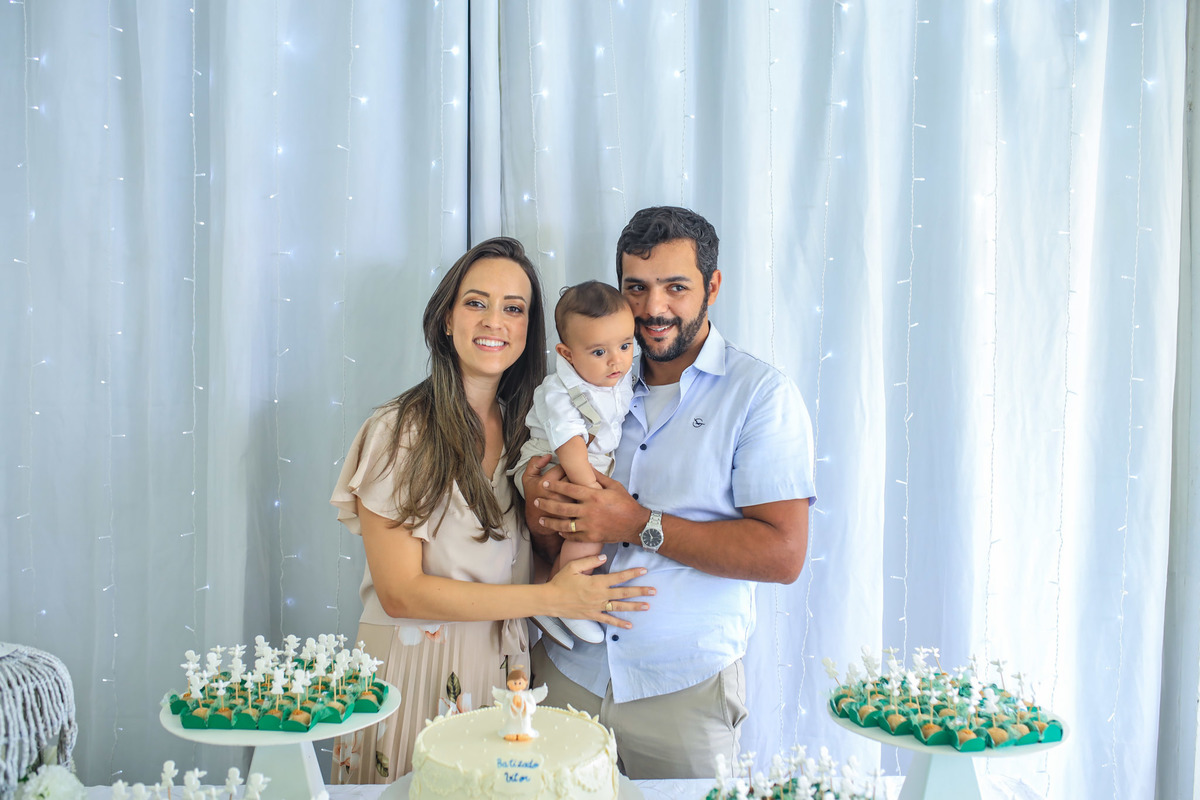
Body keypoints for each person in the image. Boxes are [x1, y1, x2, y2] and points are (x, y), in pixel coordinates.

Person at [329, 237, 654, 782]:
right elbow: (400, 592)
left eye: (514, 308)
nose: (494, 321)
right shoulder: (400, 430)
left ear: (530, 331)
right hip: (413, 674)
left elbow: (518, 563)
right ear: (446, 319)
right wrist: (552, 598)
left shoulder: (527, 435)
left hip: (504, 681)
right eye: (476, 302)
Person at [523, 207, 816, 779]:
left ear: (713, 286)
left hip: (683, 692)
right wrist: (544, 509)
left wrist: (637, 524)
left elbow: (783, 556)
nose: (654, 308)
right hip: (565, 671)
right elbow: (540, 534)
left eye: (676, 287)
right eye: (637, 287)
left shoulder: (760, 396)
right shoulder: (588, 380)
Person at [510, 281, 636, 647]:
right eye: (599, 351)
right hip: (552, 463)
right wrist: (593, 495)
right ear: (567, 354)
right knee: (590, 526)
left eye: (625, 345)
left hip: (585, 461)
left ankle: (547, 589)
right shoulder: (558, 390)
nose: (616, 360)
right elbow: (570, 446)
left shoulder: (618, 375)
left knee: (589, 522)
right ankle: (566, 599)